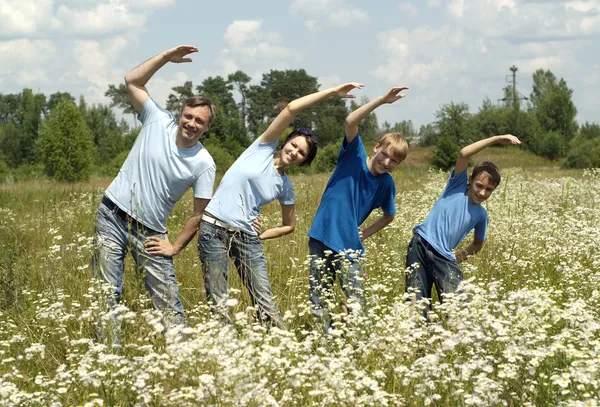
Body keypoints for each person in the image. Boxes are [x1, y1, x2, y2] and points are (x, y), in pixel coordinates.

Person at [199, 82, 363, 326]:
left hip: (246, 237)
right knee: (219, 301)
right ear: (286, 141)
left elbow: (289, 226)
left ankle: (279, 346)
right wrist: (331, 93)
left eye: (302, 153)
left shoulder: (286, 187)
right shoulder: (262, 148)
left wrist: (263, 233)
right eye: (294, 145)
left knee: (265, 302)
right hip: (213, 228)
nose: (295, 152)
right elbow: (291, 108)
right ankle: (227, 354)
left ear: (303, 161)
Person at [92, 45, 216, 332]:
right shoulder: (157, 119)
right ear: (180, 113)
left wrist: (175, 246)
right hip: (111, 215)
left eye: (200, 121)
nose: (191, 123)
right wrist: (165, 58)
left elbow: (200, 214)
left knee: (168, 303)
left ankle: (184, 362)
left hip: (150, 234)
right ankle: (109, 361)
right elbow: (132, 81)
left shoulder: (204, 163)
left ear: (207, 128)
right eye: (188, 116)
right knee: (106, 296)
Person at [308, 86, 410, 333]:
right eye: (385, 155)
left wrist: (365, 232)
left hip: (351, 246)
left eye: (394, 161)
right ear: (377, 148)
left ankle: (363, 344)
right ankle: (325, 345)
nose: (386, 162)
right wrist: (381, 101)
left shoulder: (386, 184)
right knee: (319, 298)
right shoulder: (354, 155)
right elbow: (350, 120)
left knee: (356, 301)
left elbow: (390, 214)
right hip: (321, 235)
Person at [405, 134, 521, 316]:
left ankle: (456, 340)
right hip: (419, 245)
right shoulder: (456, 187)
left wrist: (457, 258)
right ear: (469, 180)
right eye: (479, 185)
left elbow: (477, 245)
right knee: (415, 301)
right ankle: (419, 342)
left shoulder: (481, 215)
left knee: (457, 305)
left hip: (444, 256)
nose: (482, 192)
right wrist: (496, 139)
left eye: (489, 190)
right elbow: (464, 153)